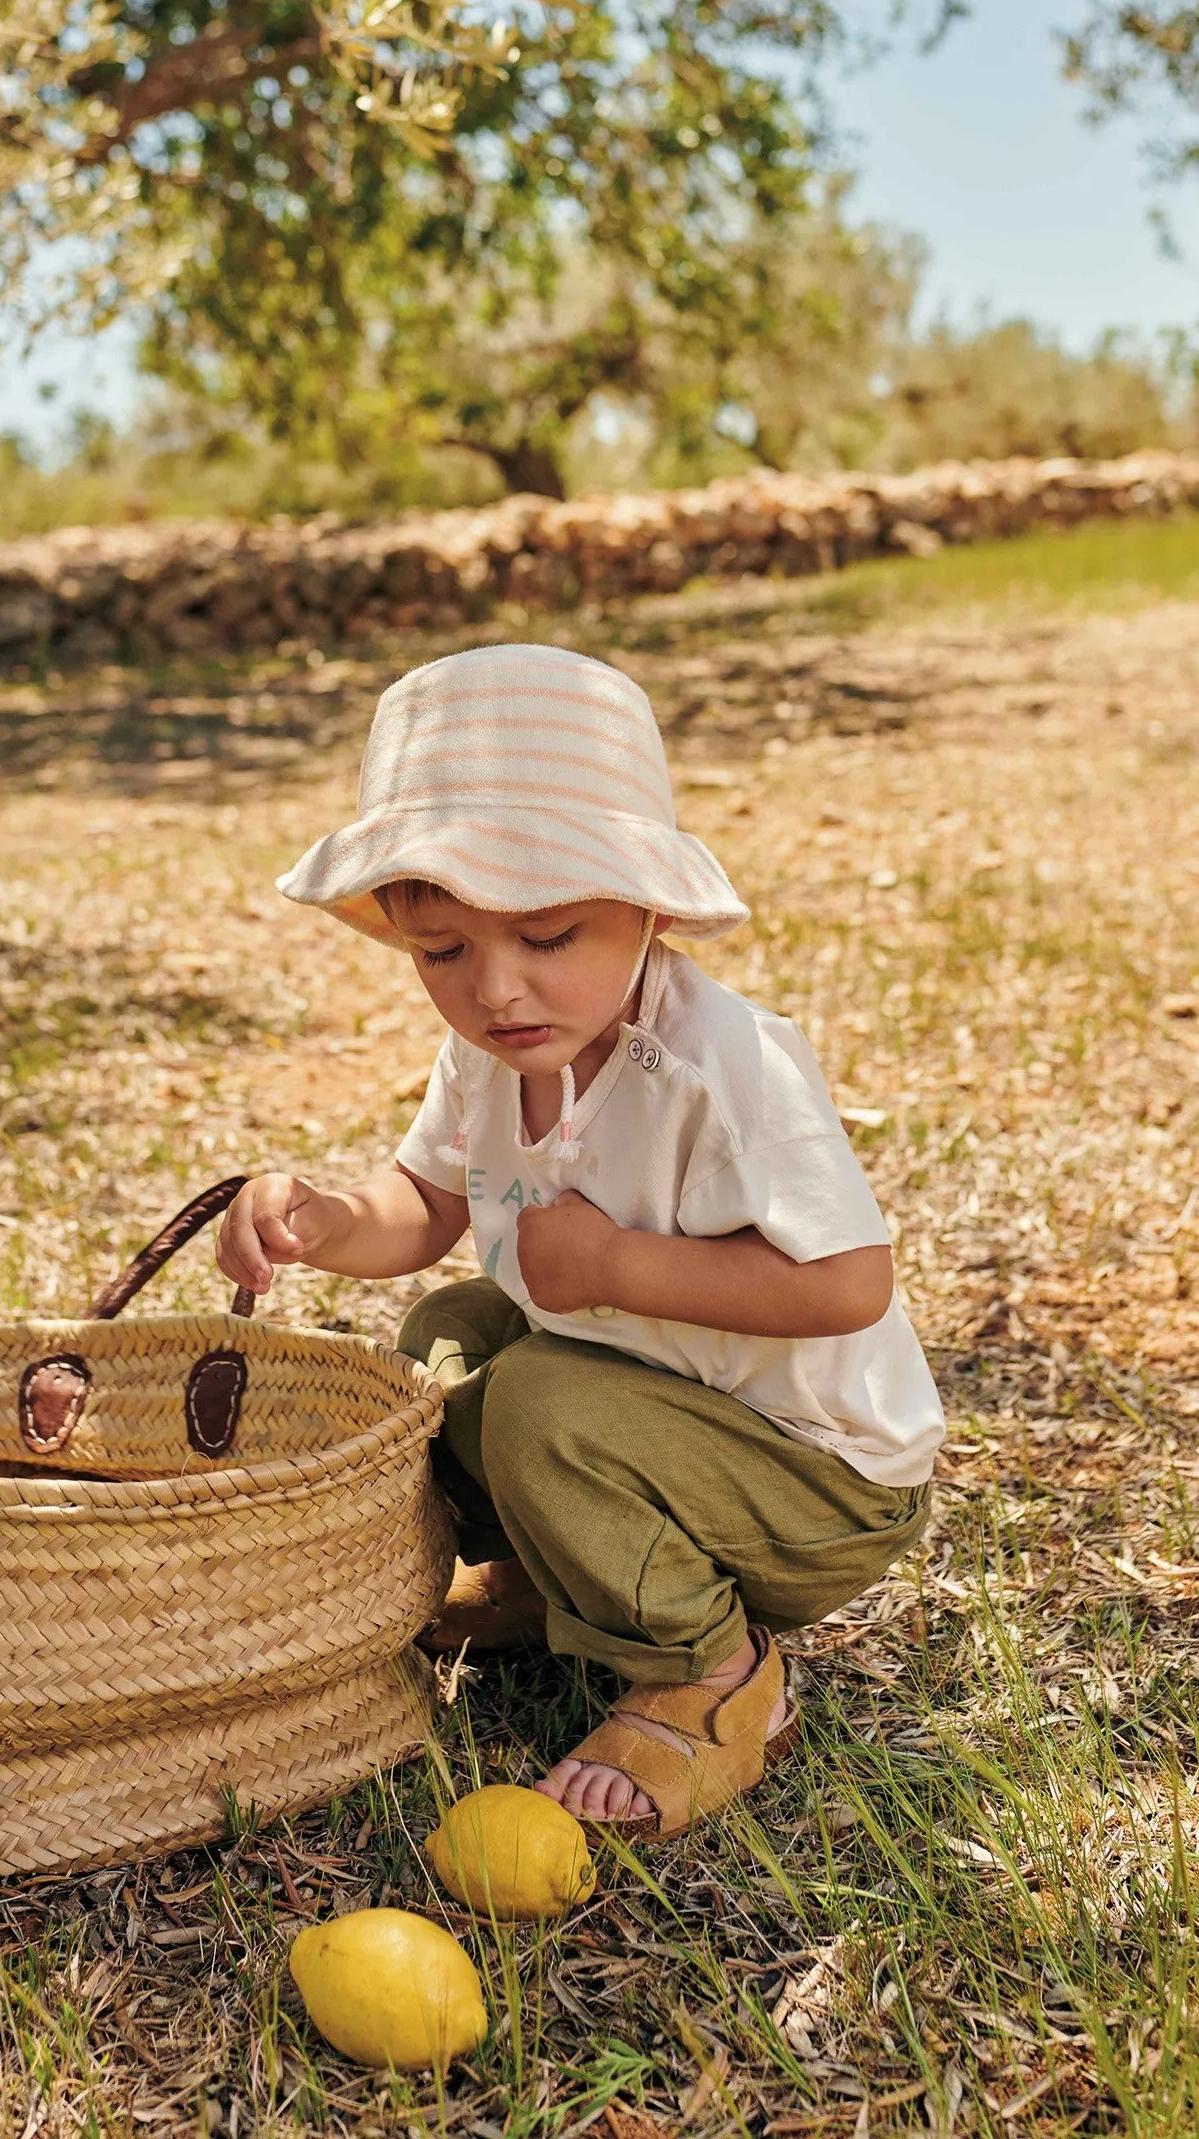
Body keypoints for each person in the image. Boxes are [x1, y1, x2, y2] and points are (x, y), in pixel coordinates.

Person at [217, 644, 944, 1834]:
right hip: (666, 1407)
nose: (496, 990)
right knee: (453, 1325)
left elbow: (849, 1284)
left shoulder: (724, 1069)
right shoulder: (492, 1056)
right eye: (442, 952)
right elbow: (424, 1205)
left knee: (542, 1398)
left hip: (811, 1473)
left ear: (647, 910)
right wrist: (325, 1219)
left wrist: (614, 1266)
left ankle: (713, 1675)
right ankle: (541, 1577)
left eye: (548, 937)